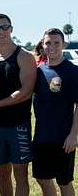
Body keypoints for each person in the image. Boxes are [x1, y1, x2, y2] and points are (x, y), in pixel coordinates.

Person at [0, 14, 36, 196]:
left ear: (11, 29)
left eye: (4, 27)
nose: (1, 31)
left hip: (18, 125)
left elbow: (26, 91)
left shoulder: (24, 56)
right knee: (2, 174)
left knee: (21, 174)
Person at [32, 28, 78, 196]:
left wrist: (73, 135)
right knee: (42, 179)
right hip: (41, 136)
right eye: (48, 43)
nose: (52, 46)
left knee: (64, 182)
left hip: (63, 138)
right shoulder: (38, 71)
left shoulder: (72, 71)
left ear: (63, 44)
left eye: (56, 43)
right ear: (43, 45)